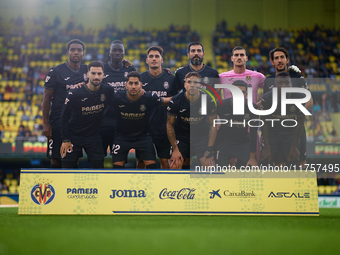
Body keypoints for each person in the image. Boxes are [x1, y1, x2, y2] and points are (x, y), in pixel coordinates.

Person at [263, 47, 313, 168]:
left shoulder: (297, 78)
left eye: (282, 57)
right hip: (275, 130)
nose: (279, 60)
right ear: (272, 61)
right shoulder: (268, 81)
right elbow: (265, 102)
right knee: (277, 165)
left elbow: (310, 101)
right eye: (276, 58)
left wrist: (294, 111)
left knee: (300, 164)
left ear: (287, 60)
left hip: (294, 128)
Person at [110, 71, 172, 169]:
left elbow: (167, 101)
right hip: (121, 137)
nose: (133, 86)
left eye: (136, 83)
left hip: (143, 137)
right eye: (130, 83)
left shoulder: (149, 97)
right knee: (117, 170)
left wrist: (187, 95)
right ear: (126, 85)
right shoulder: (117, 97)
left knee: (152, 168)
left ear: (141, 85)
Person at [60, 61, 114, 168]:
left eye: (99, 74)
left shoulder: (108, 90)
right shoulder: (75, 92)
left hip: (94, 137)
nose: (96, 77)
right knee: (67, 169)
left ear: (103, 75)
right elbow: (64, 117)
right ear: (87, 75)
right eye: (93, 73)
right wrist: (65, 140)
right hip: (74, 136)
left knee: (99, 169)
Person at [42, 39, 87, 168]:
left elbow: (104, 74)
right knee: (56, 158)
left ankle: (69, 188)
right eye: (73, 50)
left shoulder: (87, 70)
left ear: (83, 54)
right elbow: (46, 98)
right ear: (67, 53)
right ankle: (56, 187)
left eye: (79, 50)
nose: (76, 52)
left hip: (77, 121)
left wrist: (124, 63)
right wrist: (45, 123)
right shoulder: (56, 71)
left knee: (73, 159)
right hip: (57, 120)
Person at [219, 46, 265, 164]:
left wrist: (259, 105)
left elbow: (273, 89)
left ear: (246, 58)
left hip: (249, 126)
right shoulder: (222, 77)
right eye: (236, 55)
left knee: (249, 162)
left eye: (241, 55)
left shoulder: (257, 76)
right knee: (228, 165)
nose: (239, 57)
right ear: (232, 58)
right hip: (229, 129)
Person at [167, 72, 217, 169]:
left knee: (210, 167)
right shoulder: (176, 100)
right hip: (182, 137)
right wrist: (175, 149)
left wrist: (210, 149)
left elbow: (213, 125)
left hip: (201, 137)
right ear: (185, 85)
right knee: (175, 165)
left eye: (195, 82)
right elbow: (169, 125)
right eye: (189, 82)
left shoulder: (208, 100)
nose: (192, 85)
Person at [140, 46, 177, 169]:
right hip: (144, 127)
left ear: (162, 60)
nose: (154, 59)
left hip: (164, 126)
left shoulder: (171, 79)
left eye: (157, 56)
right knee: (141, 163)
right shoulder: (140, 79)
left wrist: (158, 100)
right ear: (147, 60)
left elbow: (177, 100)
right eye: (151, 56)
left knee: (165, 163)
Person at [260, 72, 305, 166]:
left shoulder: (300, 98)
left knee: (293, 159)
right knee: (265, 158)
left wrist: (294, 146)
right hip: (272, 132)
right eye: (280, 83)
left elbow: (300, 122)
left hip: (290, 132)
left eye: (286, 83)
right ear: (275, 85)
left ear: (291, 84)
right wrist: (267, 147)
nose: (284, 85)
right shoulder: (267, 98)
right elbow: (264, 123)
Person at [101, 40, 136, 157]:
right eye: (114, 50)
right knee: (98, 160)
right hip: (103, 123)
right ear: (109, 52)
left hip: (122, 125)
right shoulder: (101, 69)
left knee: (120, 161)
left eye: (120, 50)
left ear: (124, 53)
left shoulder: (130, 70)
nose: (117, 53)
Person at [215, 80, 259, 168]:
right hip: (224, 143)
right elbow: (211, 124)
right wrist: (213, 149)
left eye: (242, 92)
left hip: (243, 143)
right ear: (231, 93)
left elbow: (254, 132)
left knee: (249, 171)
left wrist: (252, 157)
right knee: (220, 174)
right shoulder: (221, 105)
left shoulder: (253, 107)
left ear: (246, 94)